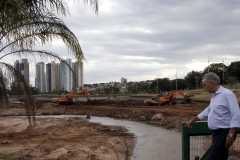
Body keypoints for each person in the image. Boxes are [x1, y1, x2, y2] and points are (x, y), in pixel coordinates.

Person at [185, 72, 240, 160]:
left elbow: (236, 114)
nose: (204, 87)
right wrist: (194, 119)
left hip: (224, 133)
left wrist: (230, 134)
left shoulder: (227, 94)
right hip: (216, 134)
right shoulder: (214, 96)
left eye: (204, 84)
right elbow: (208, 110)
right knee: (222, 157)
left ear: (211, 83)